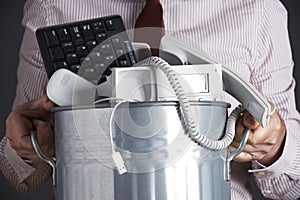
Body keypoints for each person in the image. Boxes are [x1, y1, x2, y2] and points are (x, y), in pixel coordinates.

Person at [1, 0, 300, 199]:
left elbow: (291, 187)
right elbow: (20, 175)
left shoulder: (259, 9)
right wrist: (31, 147)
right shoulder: (53, 6)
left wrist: (276, 147)